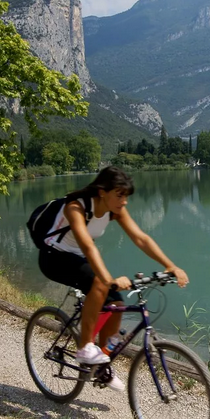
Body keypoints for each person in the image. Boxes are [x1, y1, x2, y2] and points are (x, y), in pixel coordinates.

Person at [38, 166, 189, 391]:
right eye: (119, 195)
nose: (124, 201)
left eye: (126, 196)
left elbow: (140, 238)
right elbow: (88, 246)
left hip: (77, 258)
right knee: (100, 281)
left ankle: (101, 364)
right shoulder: (75, 207)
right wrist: (108, 278)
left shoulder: (114, 209)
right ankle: (85, 347)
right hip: (53, 258)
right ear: (102, 192)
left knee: (117, 304)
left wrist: (170, 265)